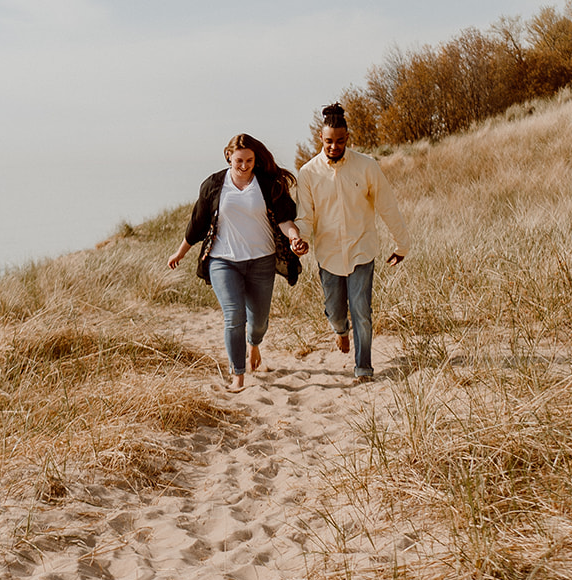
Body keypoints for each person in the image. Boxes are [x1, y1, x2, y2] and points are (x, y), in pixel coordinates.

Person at [169, 133, 310, 392]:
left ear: (255, 160)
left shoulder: (267, 184)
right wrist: (180, 252)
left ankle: (254, 344)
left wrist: (294, 237)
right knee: (234, 315)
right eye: (238, 161)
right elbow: (197, 223)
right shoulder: (214, 184)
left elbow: (284, 219)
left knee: (258, 322)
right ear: (228, 157)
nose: (244, 166)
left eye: (249, 160)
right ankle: (238, 375)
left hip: (261, 260)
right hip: (223, 261)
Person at [295, 103, 411, 383]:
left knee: (362, 309)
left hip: (362, 250)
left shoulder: (367, 166)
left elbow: (387, 206)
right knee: (335, 311)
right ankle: (340, 330)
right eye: (329, 141)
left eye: (340, 140)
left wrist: (402, 244)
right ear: (320, 139)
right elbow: (304, 216)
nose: (334, 146)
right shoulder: (309, 173)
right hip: (329, 253)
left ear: (348, 137)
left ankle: (363, 367)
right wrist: (299, 239)